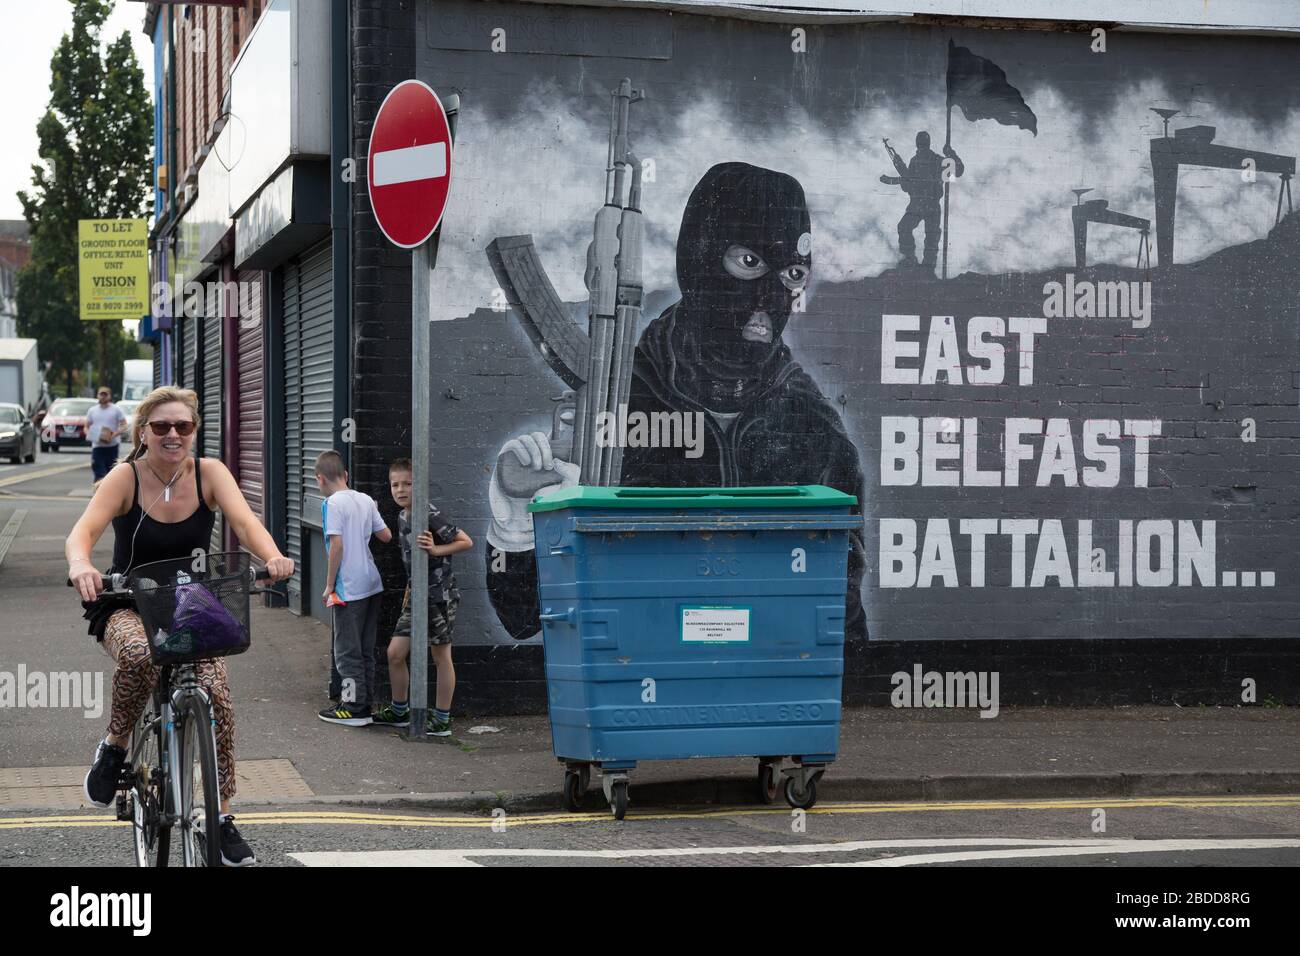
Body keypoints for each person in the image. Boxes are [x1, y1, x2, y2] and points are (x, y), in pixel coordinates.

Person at [485, 161, 866, 640]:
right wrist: (516, 525)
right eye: (749, 262)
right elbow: (522, 618)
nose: (771, 296)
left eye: (792, 274)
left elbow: (843, 625)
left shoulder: (817, 432)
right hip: (640, 676)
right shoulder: (619, 402)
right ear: (699, 258)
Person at [66, 386, 294, 867]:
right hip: (127, 602)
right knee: (139, 655)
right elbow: (82, 532)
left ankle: (223, 819)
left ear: (194, 432)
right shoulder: (124, 478)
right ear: (143, 432)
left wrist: (271, 555)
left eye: (183, 427)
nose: (173, 435)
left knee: (219, 697)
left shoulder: (210, 473)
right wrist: (82, 565)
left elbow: (246, 523)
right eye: (162, 427)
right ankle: (115, 747)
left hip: (191, 606)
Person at [372, 458, 473, 736]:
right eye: (395, 484)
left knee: (441, 655)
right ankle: (400, 710)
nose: (400, 489)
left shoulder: (428, 513)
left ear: (419, 485)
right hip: (416, 597)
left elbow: (466, 541)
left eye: (407, 483)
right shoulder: (402, 516)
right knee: (395, 653)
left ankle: (441, 720)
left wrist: (435, 550)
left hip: (439, 597)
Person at [315, 450, 392, 726]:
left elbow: (336, 546)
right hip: (372, 583)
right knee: (365, 649)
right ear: (345, 475)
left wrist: (328, 584)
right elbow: (386, 536)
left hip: (348, 587)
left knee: (347, 651)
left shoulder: (331, 504)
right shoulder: (366, 500)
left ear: (320, 479)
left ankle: (352, 708)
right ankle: (365, 703)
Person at [879, 131, 964, 274]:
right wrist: (951, 154)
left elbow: (958, 171)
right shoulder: (932, 160)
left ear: (917, 144)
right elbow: (958, 170)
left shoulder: (928, 160)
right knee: (921, 234)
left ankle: (918, 264)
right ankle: (918, 264)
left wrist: (950, 154)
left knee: (917, 232)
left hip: (923, 203)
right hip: (925, 204)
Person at [85, 387, 127, 484]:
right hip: (97, 446)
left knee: (110, 472)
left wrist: (114, 434)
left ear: (109, 396)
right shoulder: (92, 410)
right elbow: (86, 426)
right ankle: (98, 493)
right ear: (97, 395)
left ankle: (110, 493)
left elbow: (124, 425)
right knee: (98, 471)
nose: (103, 397)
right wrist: (89, 434)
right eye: (101, 394)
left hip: (112, 446)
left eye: (105, 395)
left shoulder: (116, 409)